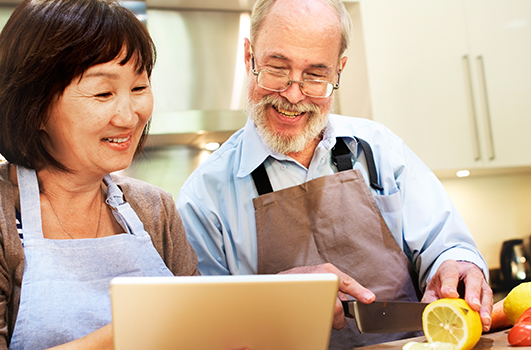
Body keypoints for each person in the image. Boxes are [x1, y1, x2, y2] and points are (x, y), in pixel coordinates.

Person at [176, 0, 492, 348]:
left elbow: (444, 244)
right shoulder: (203, 197)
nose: (293, 95)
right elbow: (203, 329)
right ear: (249, 56)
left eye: (315, 75)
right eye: (277, 69)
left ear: (338, 70)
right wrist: (270, 300)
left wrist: (456, 265)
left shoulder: (378, 148)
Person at [0, 0, 199, 348]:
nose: (128, 116)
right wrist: (130, 331)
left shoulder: (154, 209)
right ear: (35, 107)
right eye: (103, 92)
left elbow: (198, 331)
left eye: (138, 88)